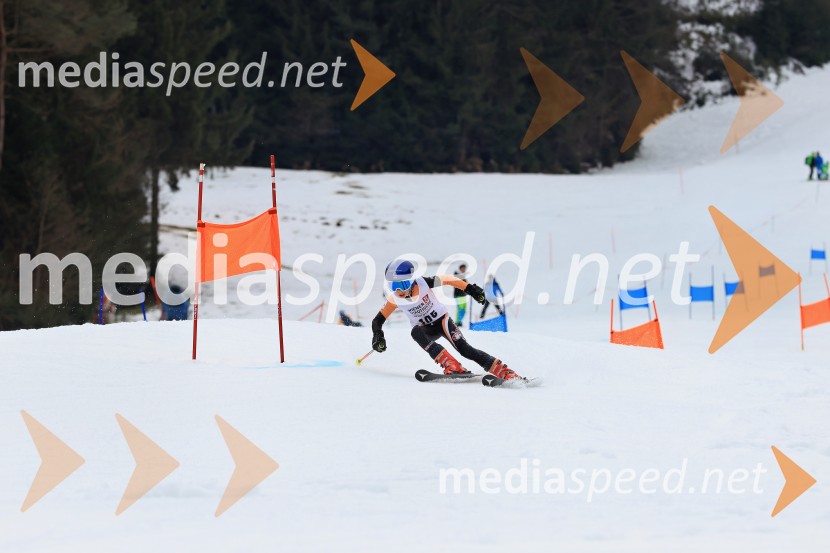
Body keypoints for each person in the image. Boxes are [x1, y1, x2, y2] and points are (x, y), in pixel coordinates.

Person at [370, 258, 522, 380]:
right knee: (415, 332)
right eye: (392, 286)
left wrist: (471, 290)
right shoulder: (394, 299)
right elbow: (377, 321)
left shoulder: (423, 283)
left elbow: (448, 279)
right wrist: (378, 336)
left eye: (402, 284)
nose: (398, 291)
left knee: (466, 350)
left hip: (443, 322)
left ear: (411, 281)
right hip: (425, 330)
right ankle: (452, 365)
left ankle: (504, 372)